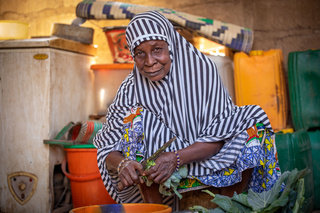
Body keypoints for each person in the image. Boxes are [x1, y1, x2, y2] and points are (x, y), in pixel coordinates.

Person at [93, 11, 281, 208]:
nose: (149, 61)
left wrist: (175, 158)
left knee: (252, 120)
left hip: (213, 162)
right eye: (140, 53)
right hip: (163, 175)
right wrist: (123, 164)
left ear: (170, 46)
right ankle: (156, 210)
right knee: (134, 120)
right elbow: (107, 144)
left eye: (157, 49)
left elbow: (219, 134)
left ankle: (228, 207)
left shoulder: (201, 71)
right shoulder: (131, 88)